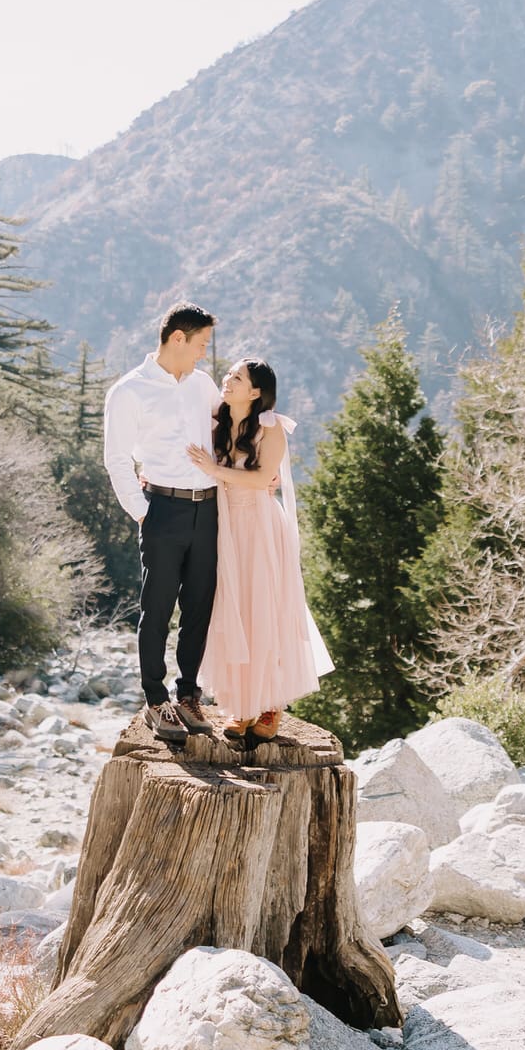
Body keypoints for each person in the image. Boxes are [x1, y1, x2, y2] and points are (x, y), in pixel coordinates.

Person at [186, 357, 333, 742]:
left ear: (255, 392)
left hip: (260, 528)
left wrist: (216, 471)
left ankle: (271, 704)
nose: (227, 380)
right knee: (231, 609)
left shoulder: (271, 427)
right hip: (223, 526)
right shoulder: (214, 417)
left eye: (237, 377)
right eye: (230, 374)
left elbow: (263, 479)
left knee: (265, 609)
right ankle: (241, 704)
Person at [102, 301, 224, 742]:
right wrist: (143, 513)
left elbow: (226, 432)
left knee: (200, 605)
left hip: (208, 508)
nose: (203, 355)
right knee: (157, 608)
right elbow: (116, 459)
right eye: (201, 345)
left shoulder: (203, 384)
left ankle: (188, 693)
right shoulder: (129, 391)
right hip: (162, 509)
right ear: (178, 338)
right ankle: (156, 699)